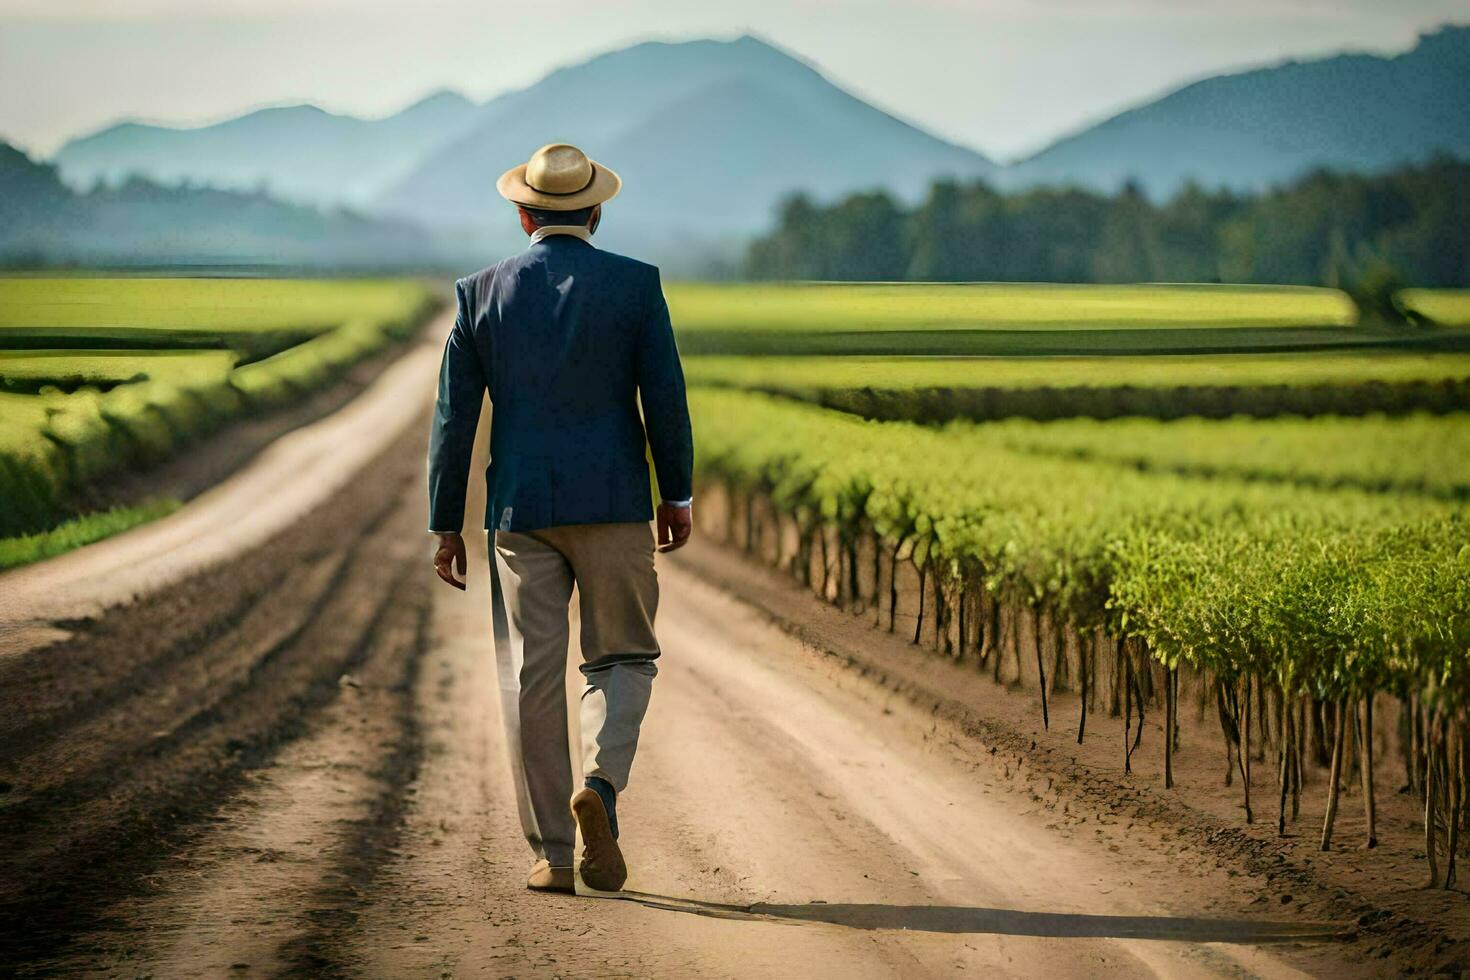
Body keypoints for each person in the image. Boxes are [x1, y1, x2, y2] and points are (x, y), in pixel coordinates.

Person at [426, 143, 694, 895]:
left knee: (531, 677)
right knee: (622, 657)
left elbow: (455, 419)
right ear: (596, 212)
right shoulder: (637, 288)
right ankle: (601, 788)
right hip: (613, 503)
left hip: (520, 510)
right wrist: (677, 493)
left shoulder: (480, 294)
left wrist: (446, 522)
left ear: (523, 215)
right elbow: (665, 400)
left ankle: (550, 852)